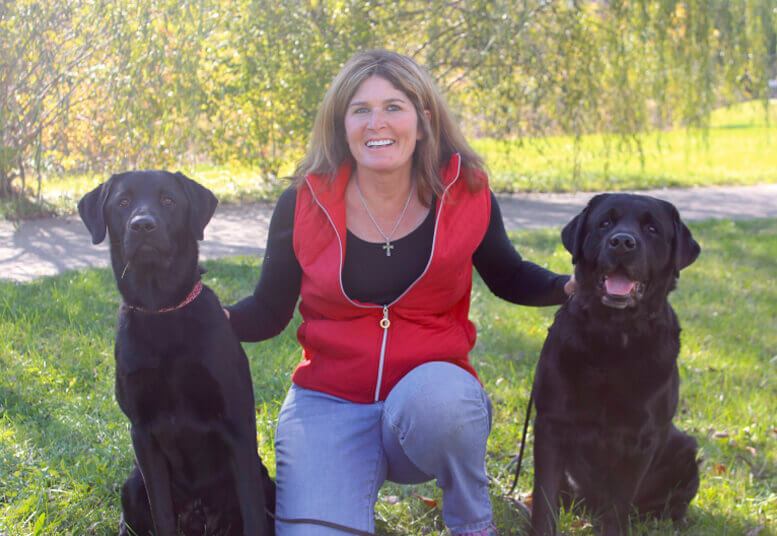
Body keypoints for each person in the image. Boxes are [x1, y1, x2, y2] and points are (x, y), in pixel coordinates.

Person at [225, 49, 574, 536]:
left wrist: (568, 287)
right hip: (329, 403)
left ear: (423, 118)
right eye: (360, 109)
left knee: (444, 401)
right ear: (341, 124)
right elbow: (267, 310)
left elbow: (508, 274)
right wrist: (203, 316)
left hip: (428, 406)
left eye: (394, 107)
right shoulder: (302, 202)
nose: (377, 123)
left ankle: (473, 524)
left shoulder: (466, 193)